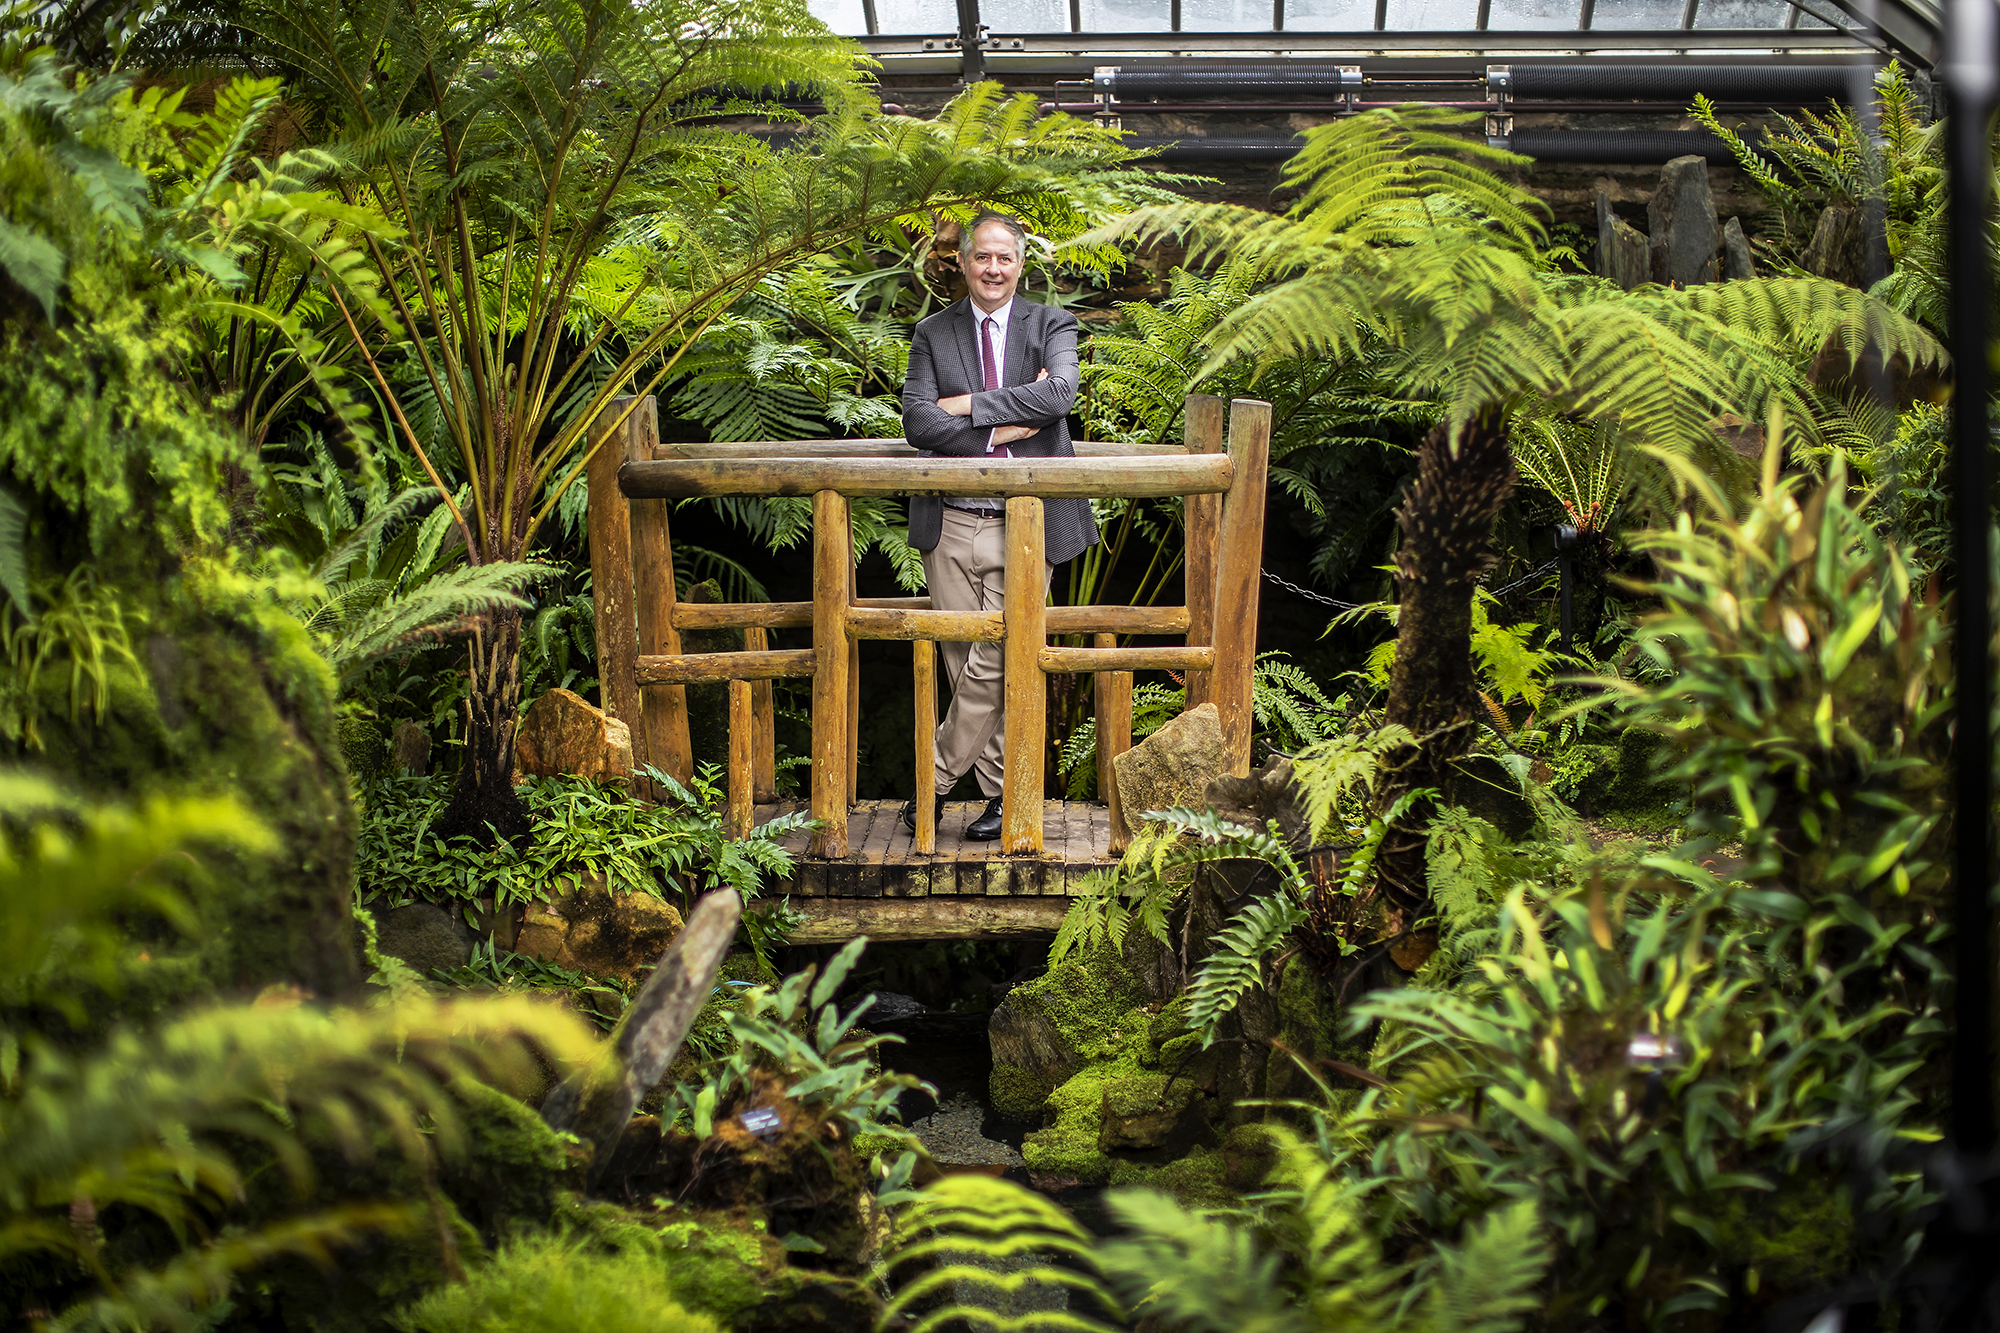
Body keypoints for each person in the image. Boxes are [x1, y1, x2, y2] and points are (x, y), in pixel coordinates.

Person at [899, 210, 1098, 841]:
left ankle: (932, 781)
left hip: (1027, 521)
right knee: (967, 658)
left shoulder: (1051, 324)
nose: (992, 269)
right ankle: (998, 797)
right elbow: (919, 425)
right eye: (981, 258)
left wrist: (965, 409)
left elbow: (1060, 396)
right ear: (962, 263)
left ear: (1019, 264)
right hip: (951, 522)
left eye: (1003, 259)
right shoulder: (933, 333)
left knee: (1000, 653)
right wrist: (1007, 425)